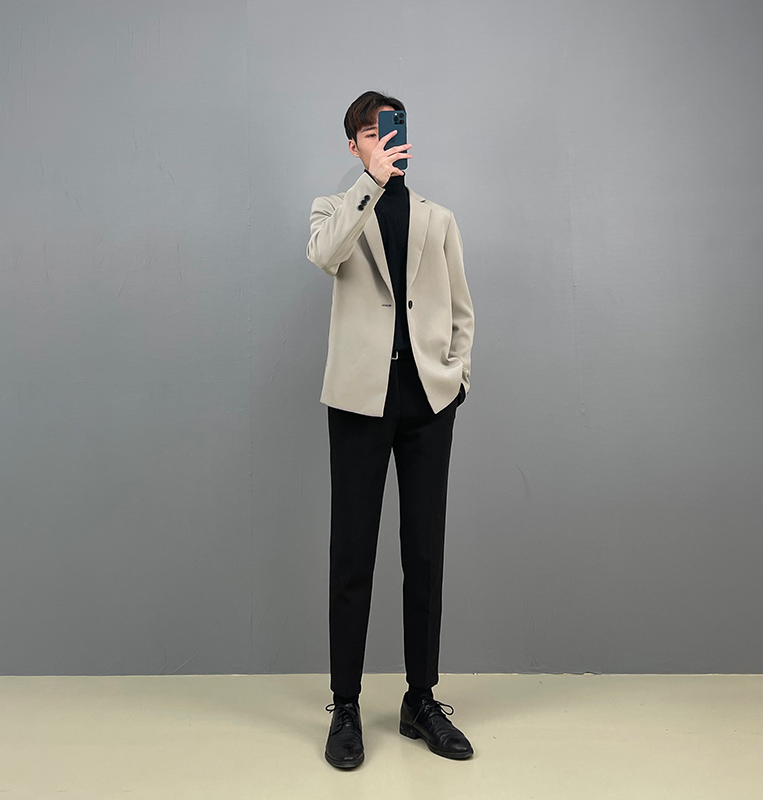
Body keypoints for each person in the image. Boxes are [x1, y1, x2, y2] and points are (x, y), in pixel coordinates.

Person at [306, 90, 475, 769]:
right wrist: (369, 185)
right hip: (358, 403)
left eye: (393, 131)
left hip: (427, 403)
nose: (386, 141)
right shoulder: (335, 208)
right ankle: (345, 706)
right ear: (355, 145)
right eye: (372, 134)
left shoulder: (438, 218)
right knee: (352, 554)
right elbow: (324, 255)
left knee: (424, 555)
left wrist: (456, 379)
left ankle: (420, 701)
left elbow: (461, 309)